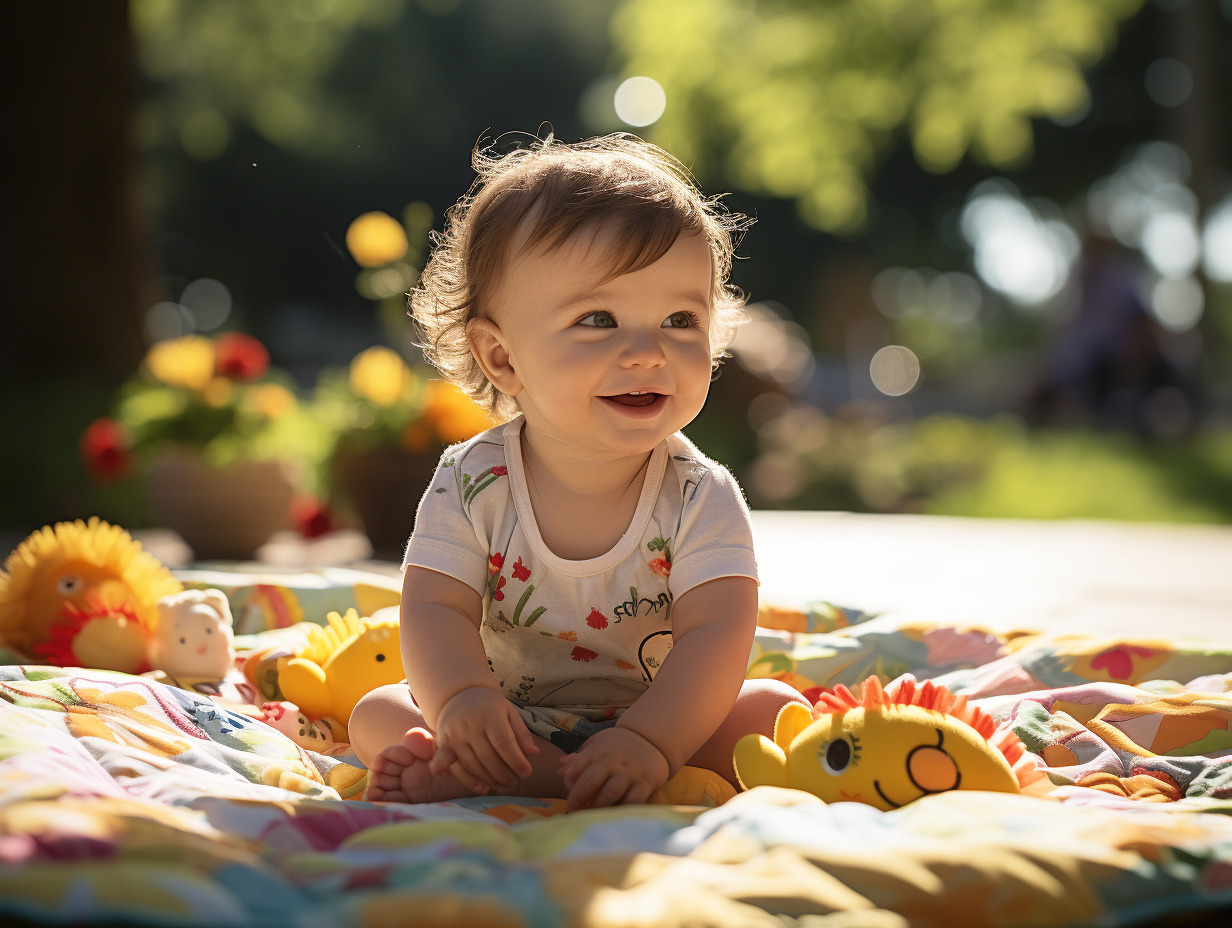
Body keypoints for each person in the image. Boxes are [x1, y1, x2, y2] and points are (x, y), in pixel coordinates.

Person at [347, 133, 808, 810]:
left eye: (680, 319)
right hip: (507, 723)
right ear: (502, 358)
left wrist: (651, 742)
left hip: (663, 718)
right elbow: (434, 607)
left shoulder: (700, 495)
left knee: (772, 712)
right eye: (599, 319)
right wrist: (462, 705)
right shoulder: (473, 480)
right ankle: (518, 766)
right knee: (380, 715)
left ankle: (605, 775)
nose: (649, 352)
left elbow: (717, 633)